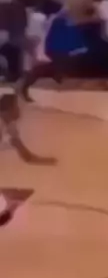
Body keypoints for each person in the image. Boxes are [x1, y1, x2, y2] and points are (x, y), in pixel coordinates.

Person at [0, 92, 56, 227]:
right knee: (16, 194)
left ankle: (12, 203)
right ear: (7, 110)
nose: (20, 110)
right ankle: (11, 202)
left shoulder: (10, 126)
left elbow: (26, 157)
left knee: (19, 194)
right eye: (16, 107)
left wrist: (49, 162)